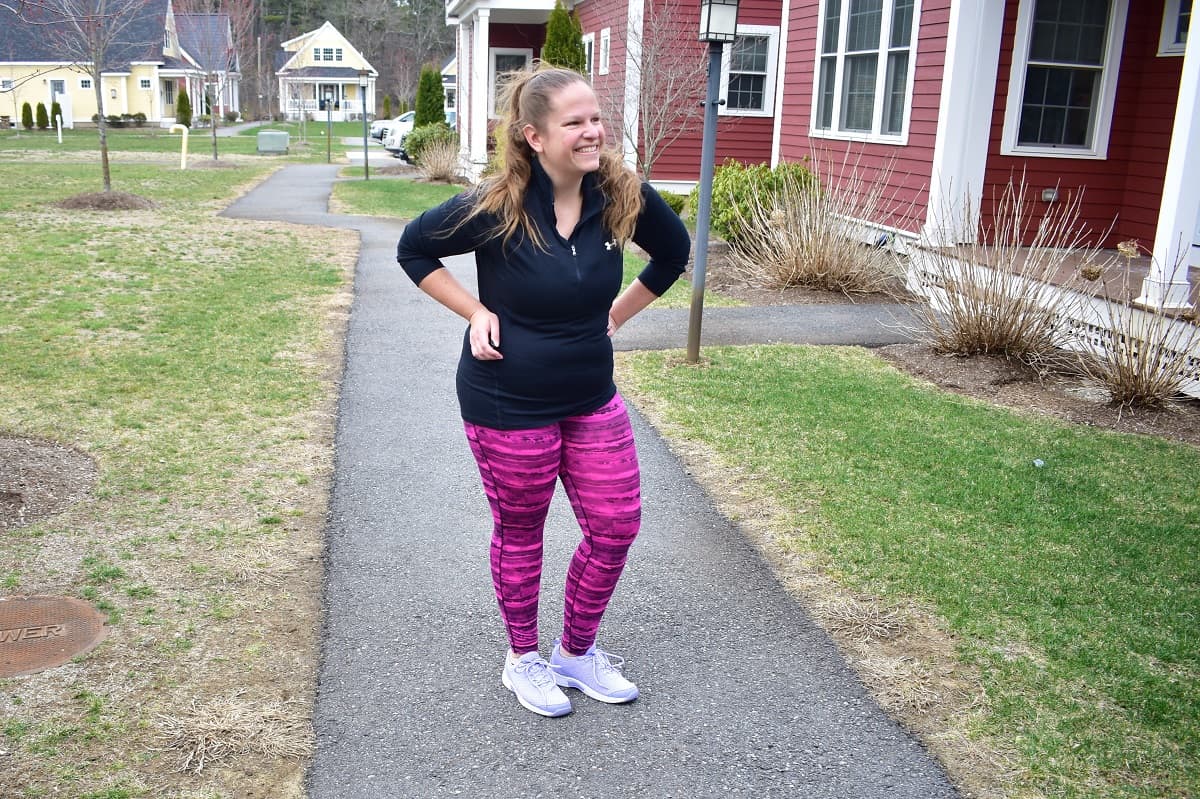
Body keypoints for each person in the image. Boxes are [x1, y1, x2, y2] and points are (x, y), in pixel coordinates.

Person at [395, 63, 691, 718]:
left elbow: (673, 253)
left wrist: (618, 313)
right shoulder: (495, 206)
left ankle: (576, 653)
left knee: (616, 524)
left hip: (590, 392)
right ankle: (522, 659)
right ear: (534, 136)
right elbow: (414, 249)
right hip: (507, 399)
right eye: (575, 122)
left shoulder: (618, 194)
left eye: (595, 118)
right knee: (522, 527)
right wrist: (473, 311)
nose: (593, 132)